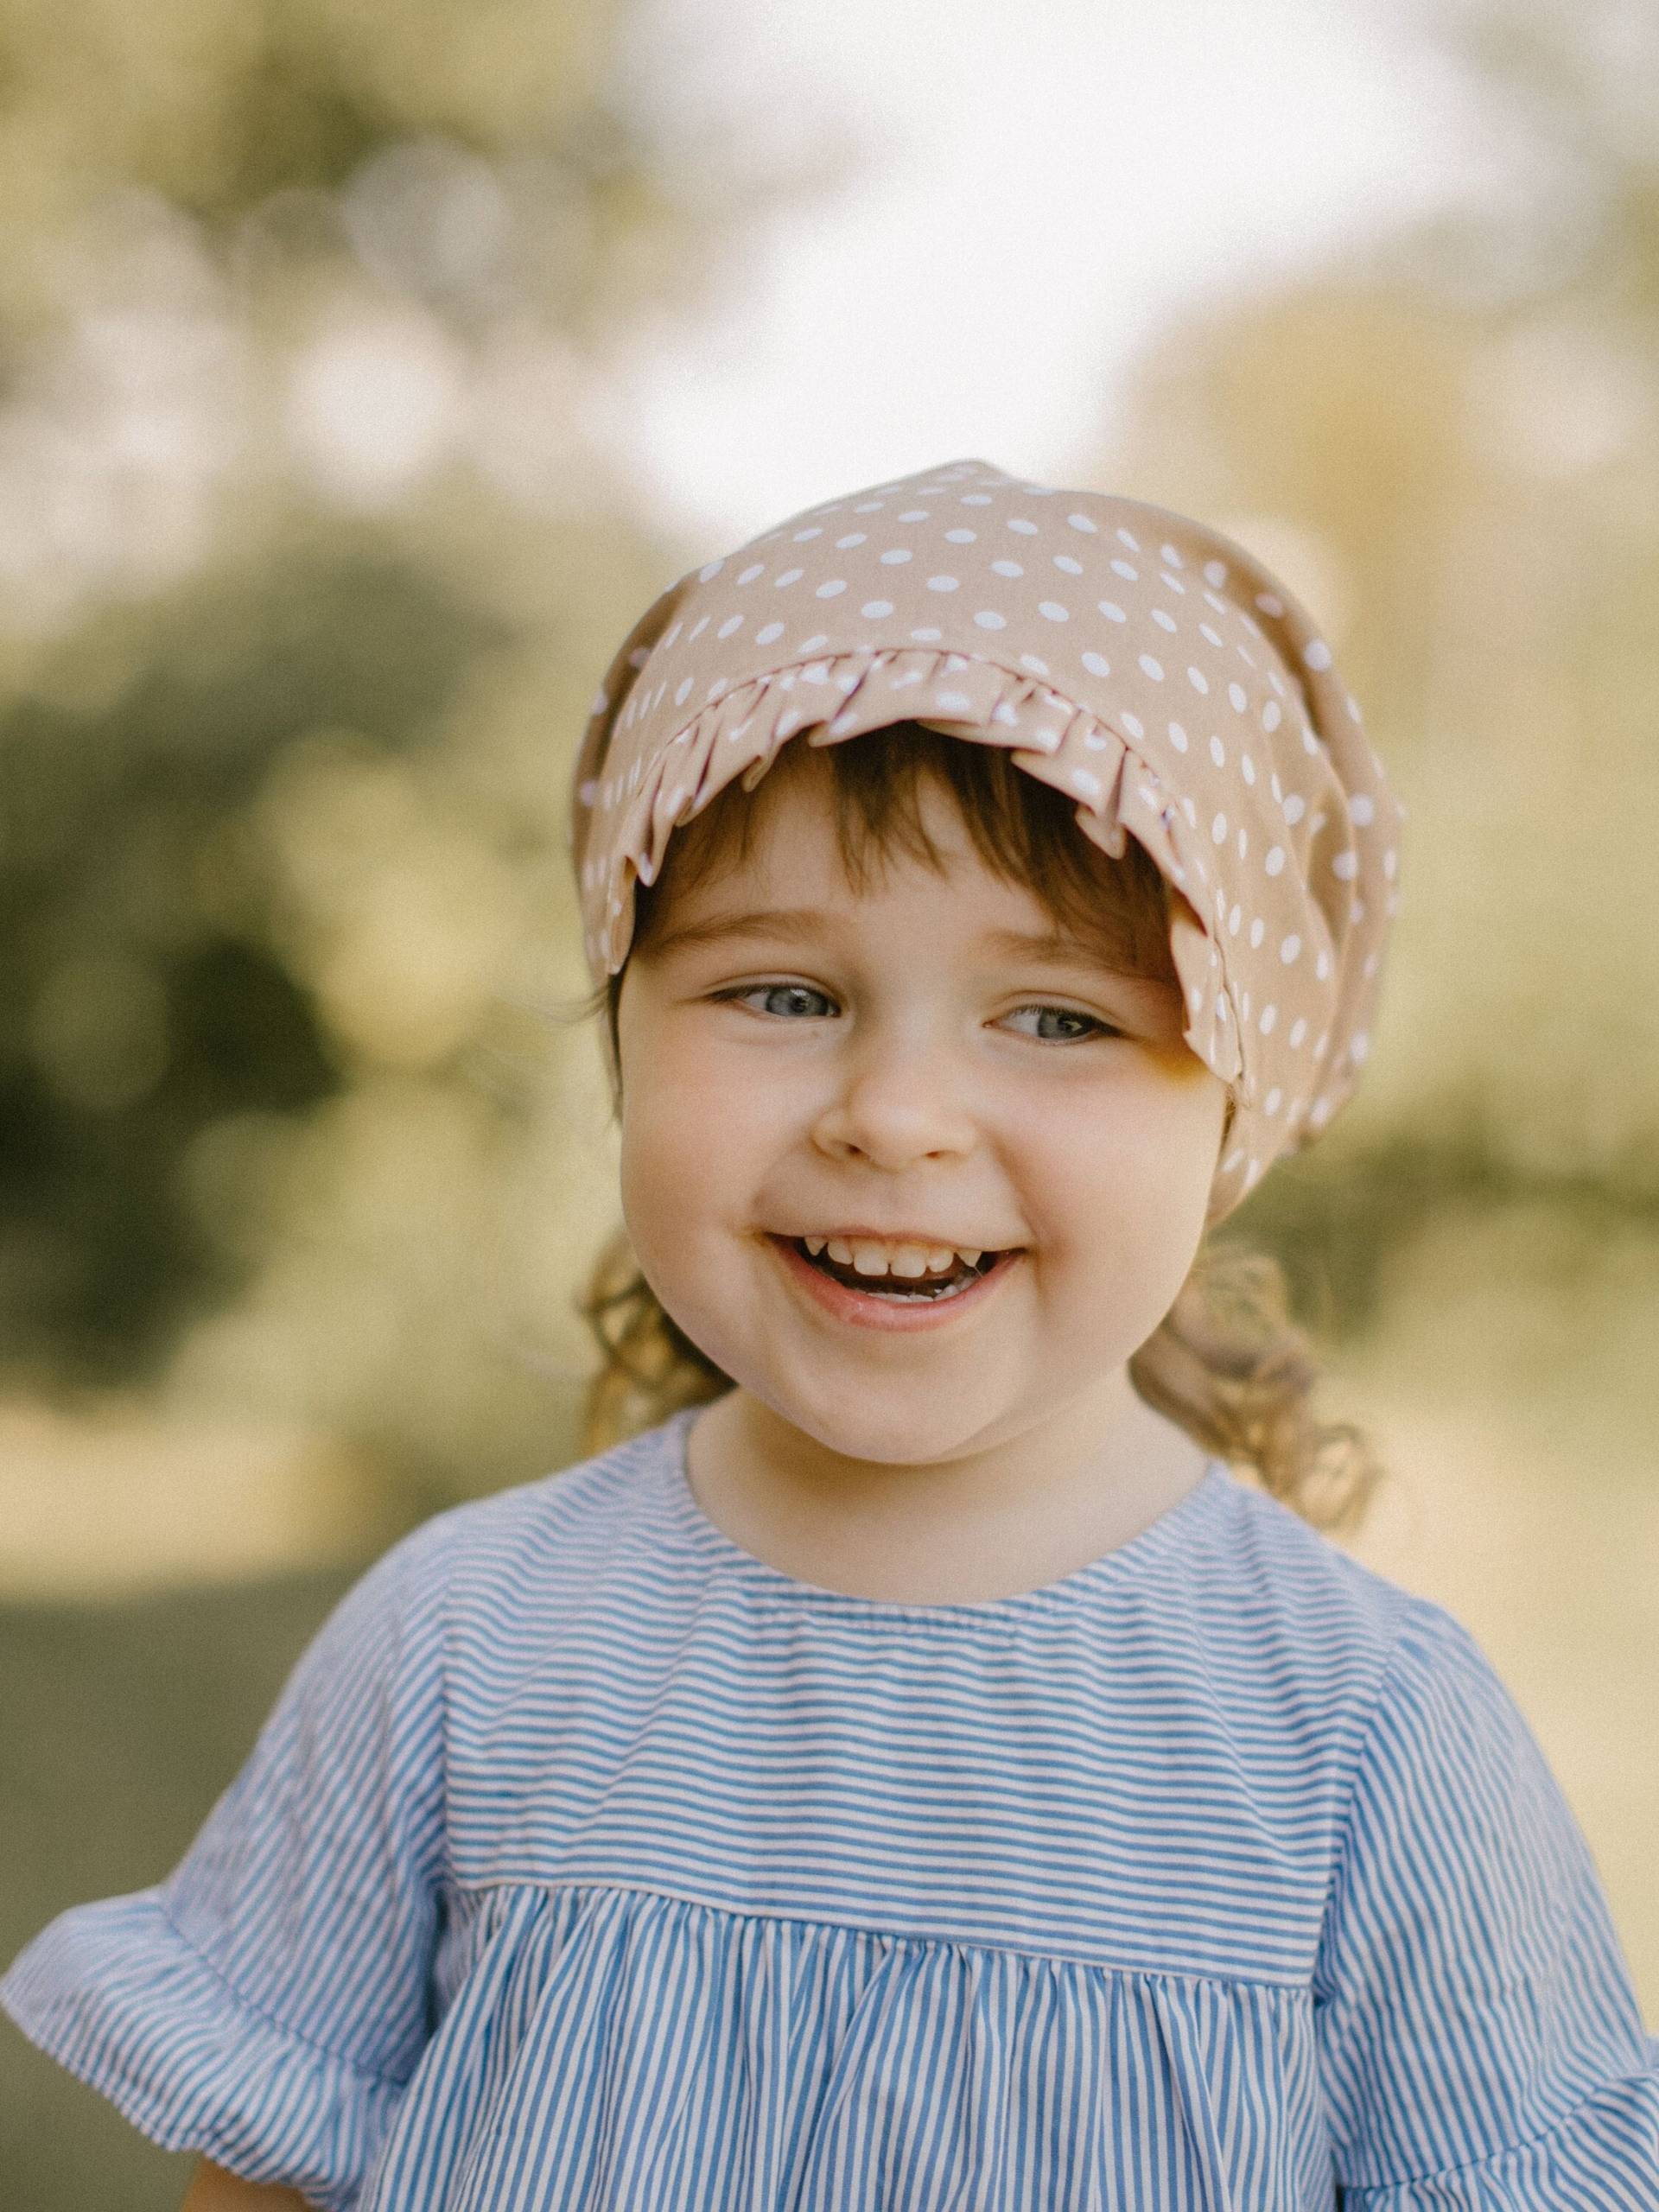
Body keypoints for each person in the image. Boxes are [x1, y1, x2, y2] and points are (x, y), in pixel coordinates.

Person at [3, 456, 1656, 2209]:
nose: (897, 1112)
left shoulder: (1367, 1743)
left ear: (1238, 1104)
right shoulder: (461, 1648)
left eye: (1057, 1014)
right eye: (781, 993)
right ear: (623, 1030)